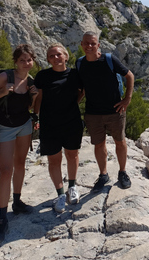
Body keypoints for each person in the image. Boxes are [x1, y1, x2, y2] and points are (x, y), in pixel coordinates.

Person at [0, 44, 38, 244]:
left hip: (24, 125)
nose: (26, 63)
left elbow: (28, 106)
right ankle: (2, 217)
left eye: (29, 59)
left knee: (21, 163)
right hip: (5, 127)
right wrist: (2, 93)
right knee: (6, 170)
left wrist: (34, 96)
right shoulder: (5, 77)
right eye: (22, 59)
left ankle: (17, 201)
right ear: (15, 61)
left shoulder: (31, 81)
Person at [77, 31, 134, 191]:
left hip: (115, 110)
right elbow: (81, 89)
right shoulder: (80, 63)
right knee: (99, 144)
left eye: (92, 43)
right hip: (93, 112)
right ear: (81, 44)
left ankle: (122, 172)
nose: (89, 46)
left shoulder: (109, 59)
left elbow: (129, 76)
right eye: (86, 43)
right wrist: (74, 105)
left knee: (120, 141)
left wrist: (127, 100)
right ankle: (103, 174)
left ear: (98, 45)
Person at [34, 44, 84, 213]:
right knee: (54, 160)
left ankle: (72, 186)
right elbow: (38, 98)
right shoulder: (42, 76)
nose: (55, 58)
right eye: (51, 56)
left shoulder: (75, 74)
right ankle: (60, 194)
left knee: (72, 154)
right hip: (49, 124)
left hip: (72, 122)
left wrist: (72, 104)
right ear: (48, 59)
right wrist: (35, 117)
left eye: (58, 54)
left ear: (65, 56)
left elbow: (81, 91)